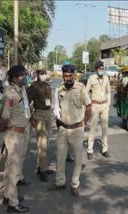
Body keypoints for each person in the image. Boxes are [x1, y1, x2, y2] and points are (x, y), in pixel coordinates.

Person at [49, 64, 91, 197]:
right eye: (65, 75)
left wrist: (84, 122)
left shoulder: (80, 88)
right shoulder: (59, 89)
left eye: (70, 75)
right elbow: (56, 107)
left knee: (78, 159)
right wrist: (58, 120)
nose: (68, 78)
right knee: (60, 157)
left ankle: (75, 184)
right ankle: (60, 182)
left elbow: (89, 106)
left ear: (74, 75)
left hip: (77, 129)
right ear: (63, 75)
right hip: (63, 129)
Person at [0, 65, 31, 213]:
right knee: (14, 169)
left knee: (11, 166)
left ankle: (7, 194)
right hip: (14, 134)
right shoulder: (10, 94)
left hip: (23, 132)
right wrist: (2, 129)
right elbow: (5, 117)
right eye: (21, 75)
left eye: (24, 74)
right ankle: (13, 202)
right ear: (14, 78)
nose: (24, 77)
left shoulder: (21, 90)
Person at [26, 69, 53, 182]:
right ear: (37, 75)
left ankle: (40, 167)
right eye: (41, 74)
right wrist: (31, 118)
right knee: (42, 144)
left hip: (48, 114)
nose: (43, 76)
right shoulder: (33, 87)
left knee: (46, 142)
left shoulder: (47, 85)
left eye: (44, 74)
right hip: (39, 115)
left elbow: (50, 101)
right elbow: (26, 103)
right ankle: (43, 170)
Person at [85, 61, 111, 160]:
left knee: (105, 128)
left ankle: (105, 149)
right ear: (96, 69)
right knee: (93, 128)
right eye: (100, 69)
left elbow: (109, 91)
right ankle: (90, 150)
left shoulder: (106, 78)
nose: (101, 70)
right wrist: (88, 104)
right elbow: (86, 92)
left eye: (102, 68)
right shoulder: (91, 78)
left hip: (104, 105)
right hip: (95, 105)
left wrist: (108, 104)